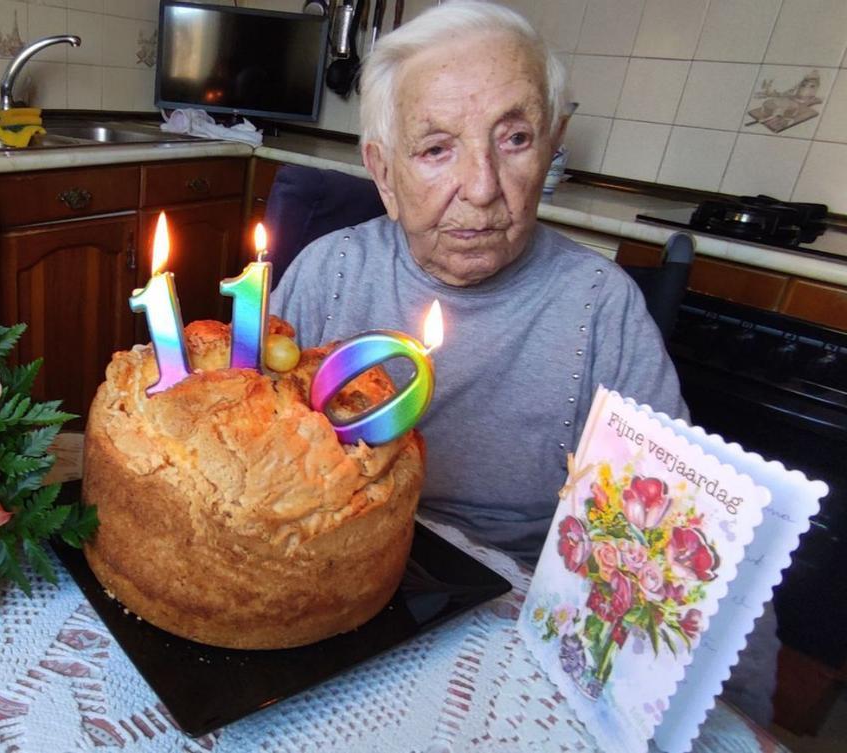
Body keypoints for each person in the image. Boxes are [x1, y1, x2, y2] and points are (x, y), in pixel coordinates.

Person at [269, 0, 777, 728]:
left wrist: (741, 717)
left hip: (512, 629)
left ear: (553, 145)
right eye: (436, 147)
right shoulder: (329, 274)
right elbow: (246, 450)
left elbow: (689, 543)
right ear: (381, 169)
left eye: (514, 137)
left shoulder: (601, 310)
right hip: (329, 589)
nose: (481, 187)